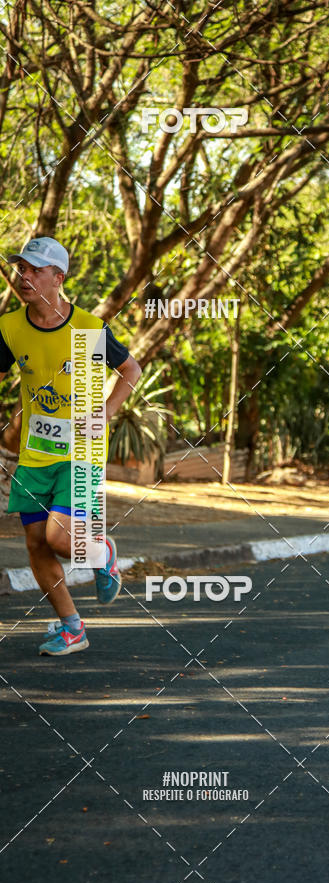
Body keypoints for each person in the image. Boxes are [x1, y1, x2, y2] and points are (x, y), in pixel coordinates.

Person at [0, 236, 142, 656]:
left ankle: (103, 551)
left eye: (35, 270)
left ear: (58, 278)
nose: (24, 276)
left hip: (80, 453)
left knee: (62, 539)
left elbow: (130, 369)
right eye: (21, 268)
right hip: (34, 456)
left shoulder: (89, 328)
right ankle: (71, 627)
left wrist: (106, 411)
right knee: (35, 544)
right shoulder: (9, 326)